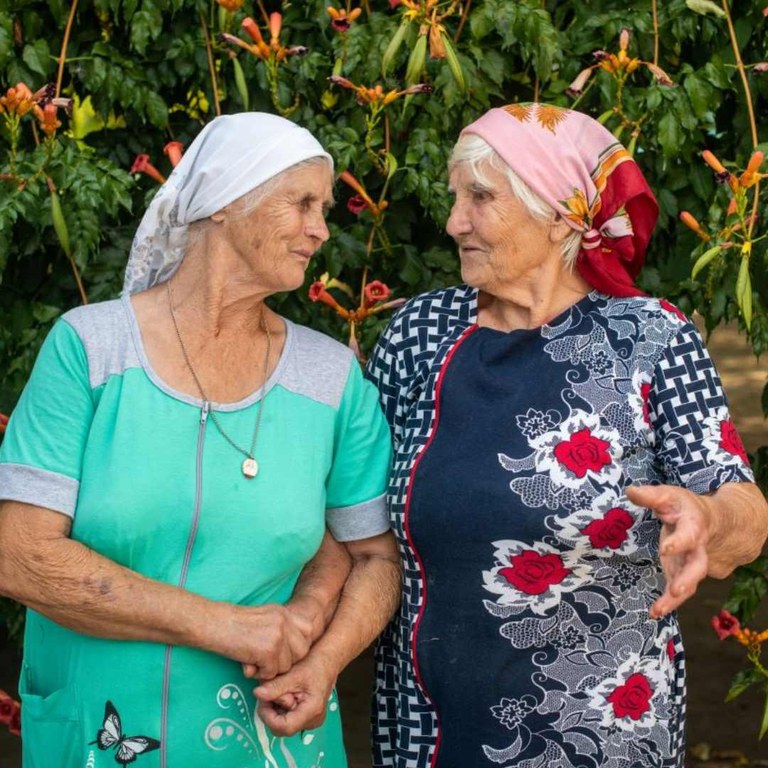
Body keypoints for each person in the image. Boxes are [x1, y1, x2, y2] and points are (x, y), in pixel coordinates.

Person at [361, 103, 768, 767]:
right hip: (428, 732)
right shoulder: (420, 335)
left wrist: (709, 516)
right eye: (455, 197)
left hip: (604, 739)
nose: (453, 220)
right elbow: (354, 519)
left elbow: (744, 509)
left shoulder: (651, 337)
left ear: (558, 214)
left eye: (480, 198)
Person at [0, 112, 400, 767]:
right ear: (225, 203)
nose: (322, 229)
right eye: (301, 203)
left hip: (268, 736)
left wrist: (322, 659)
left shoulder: (329, 378)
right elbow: (19, 557)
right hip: (100, 732)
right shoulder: (89, 349)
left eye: (323, 208)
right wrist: (229, 626)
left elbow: (371, 557)